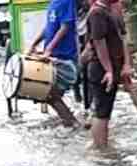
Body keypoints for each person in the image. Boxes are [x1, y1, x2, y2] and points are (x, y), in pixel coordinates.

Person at [27, 0, 81, 128]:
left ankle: (72, 123)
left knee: (50, 94)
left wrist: (49, 48)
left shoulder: (67, 1)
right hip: (53, 56)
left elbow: (65, 27)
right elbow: (48, 27)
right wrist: (34, 43)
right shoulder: (53, 3)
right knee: (51, 94)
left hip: (64, 57)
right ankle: (70, 123)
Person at [83, 0, 125, 147]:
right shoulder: (97, 13)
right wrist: (108, 70)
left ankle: (101, 146)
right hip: (101, 69)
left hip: (108, 68)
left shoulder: (106, 11)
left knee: (104, 112)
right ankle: (101, 150)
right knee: (101, 113)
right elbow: (99, 43)